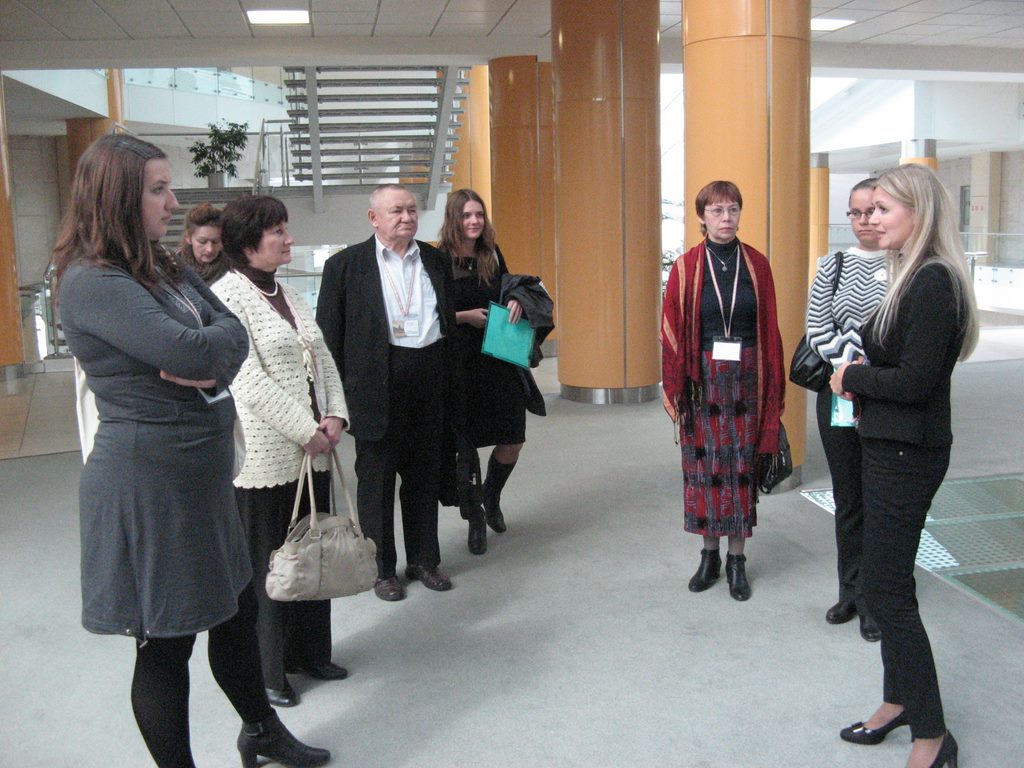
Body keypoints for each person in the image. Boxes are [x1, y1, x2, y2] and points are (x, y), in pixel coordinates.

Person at [54, 134, 329, 768]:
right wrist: (205, 352)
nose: (173, 202)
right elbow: (195, 349)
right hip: (148, 482)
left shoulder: (159, 264)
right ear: (118, 197)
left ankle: (260, 732)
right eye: (158, 190)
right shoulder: (92, 281)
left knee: (235, 611)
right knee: (166, 642)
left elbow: (228, 330)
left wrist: (207, 355)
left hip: (200, 474)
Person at [831, 164, 977, 768]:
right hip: (885, 442)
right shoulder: (910, 274)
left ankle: (933, 736)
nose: (871, 219)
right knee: (884, 581)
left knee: (886, 591)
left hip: (906, 452)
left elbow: (916, 382)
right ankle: (897, 701)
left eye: (883, 209)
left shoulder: (934, 282)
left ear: (919, 212)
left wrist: (851, 375)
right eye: (867, 210)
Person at [213, 195, 350, 708]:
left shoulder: (287, 291)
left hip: (315, 449)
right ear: (249, 242)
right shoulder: (227, 295)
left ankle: (310, 652)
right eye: (279, 231)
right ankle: (269, 670)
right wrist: (305, 428)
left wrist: (335, 414)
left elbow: (323, 359)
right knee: (271, 565)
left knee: (313, 552)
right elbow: (245, 378)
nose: (289, 238)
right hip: (267, 456)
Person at [316, 183, 454, 602]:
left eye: (411, 210)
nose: (407, 217)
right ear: (374, 218)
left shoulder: (435, 259)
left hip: (428, 380)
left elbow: (445, 321)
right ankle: (381, 570)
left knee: (424, 476)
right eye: (396, 211)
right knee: (376, 482)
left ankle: (424, 560)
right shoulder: (345, 266)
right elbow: (328, 340)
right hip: (375, 387)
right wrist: (333, 402)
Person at [660, 180, 785, 602]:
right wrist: (677, 387)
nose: (726, 218)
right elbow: (671, 329)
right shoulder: (686, 267)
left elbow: (770, 330)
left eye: (732, 209)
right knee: (705, 472)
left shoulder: (758, 265)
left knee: (740, 471)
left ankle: (737, 560)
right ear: (702, 217)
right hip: (702, 384)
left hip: (748, 381)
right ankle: (709, 556)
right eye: (716, 211)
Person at [806, 178, 889, 642]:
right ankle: (850, 591)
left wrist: (863, 369)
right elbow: (817, 326)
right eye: (855, 213)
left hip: (887, 396)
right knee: (849, 498)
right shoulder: (832, 265)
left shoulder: (906, 265)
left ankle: (880, 597)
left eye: (872, 211)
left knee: (882, 498)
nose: (864, 221)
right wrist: (849, 366)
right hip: (838, 395)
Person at [437, 188, 528, 555]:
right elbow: (430, 313)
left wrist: (516, 299)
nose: (474, 221)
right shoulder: (439, 259)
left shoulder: (491, 252)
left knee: (512, 437)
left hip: (498, 357)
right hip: (459, 362)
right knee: (466, 449)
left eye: (479, 214)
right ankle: (475, 517)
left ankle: (492, 495)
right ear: (454, 219)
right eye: (466, 215)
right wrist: (464, 317)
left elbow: (506, 288)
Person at [176, 202, 228, 284]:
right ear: (188, 237)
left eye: (215, 242)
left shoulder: (233, 270)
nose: (210, 249)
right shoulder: (173, 268)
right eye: (202, 242)